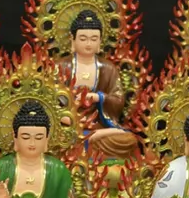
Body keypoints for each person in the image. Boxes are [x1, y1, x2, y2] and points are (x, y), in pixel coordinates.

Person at [57, 9, 138, 160]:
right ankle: (87, 140)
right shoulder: (61, 66)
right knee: (51, 137)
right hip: (68, 125)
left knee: (129, 140)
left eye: (94, 39)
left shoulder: (108, 68)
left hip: (98, 125)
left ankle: (91, 139)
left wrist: (99, 97)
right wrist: (67, 118)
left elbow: (119, 100)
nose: (89, 44)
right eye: (83, 38)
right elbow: (50, 100)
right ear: (73, 40)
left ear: (100, 41)